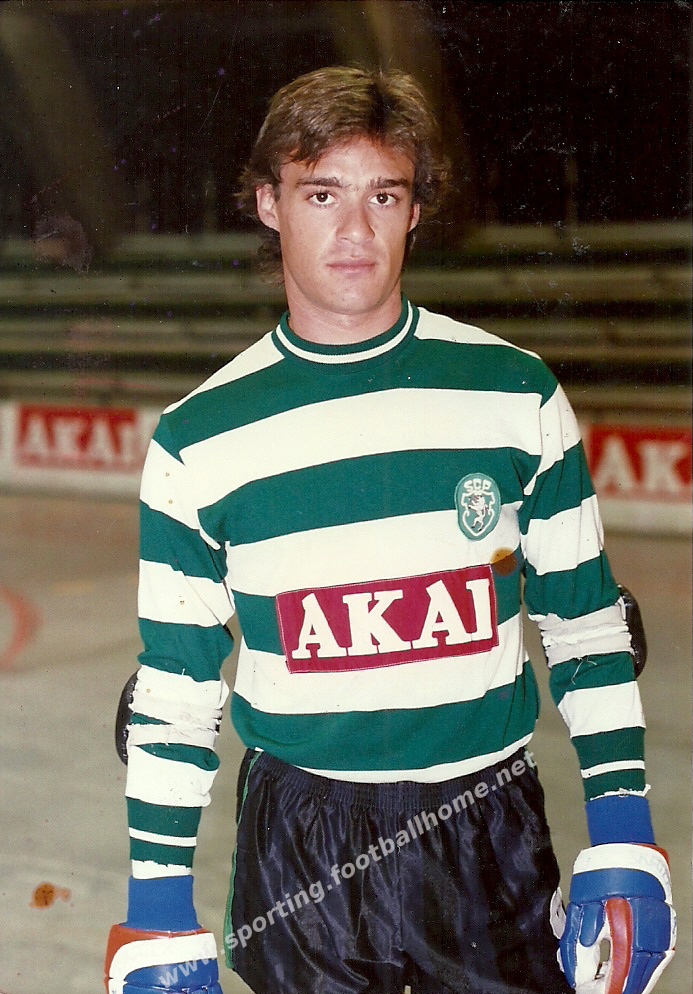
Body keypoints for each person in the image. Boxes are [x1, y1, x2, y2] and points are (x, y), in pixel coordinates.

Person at [105, 66, 675, 994]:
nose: (355, 229)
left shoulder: (515, 393)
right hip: (301, 841)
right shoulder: (197, 438)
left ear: (415, 210)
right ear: (269, 205)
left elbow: (586, 627)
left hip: (488, 823)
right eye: (321, 194)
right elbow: (174, 690)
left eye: (383, 195)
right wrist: (157, 904)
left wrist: (623, 833)